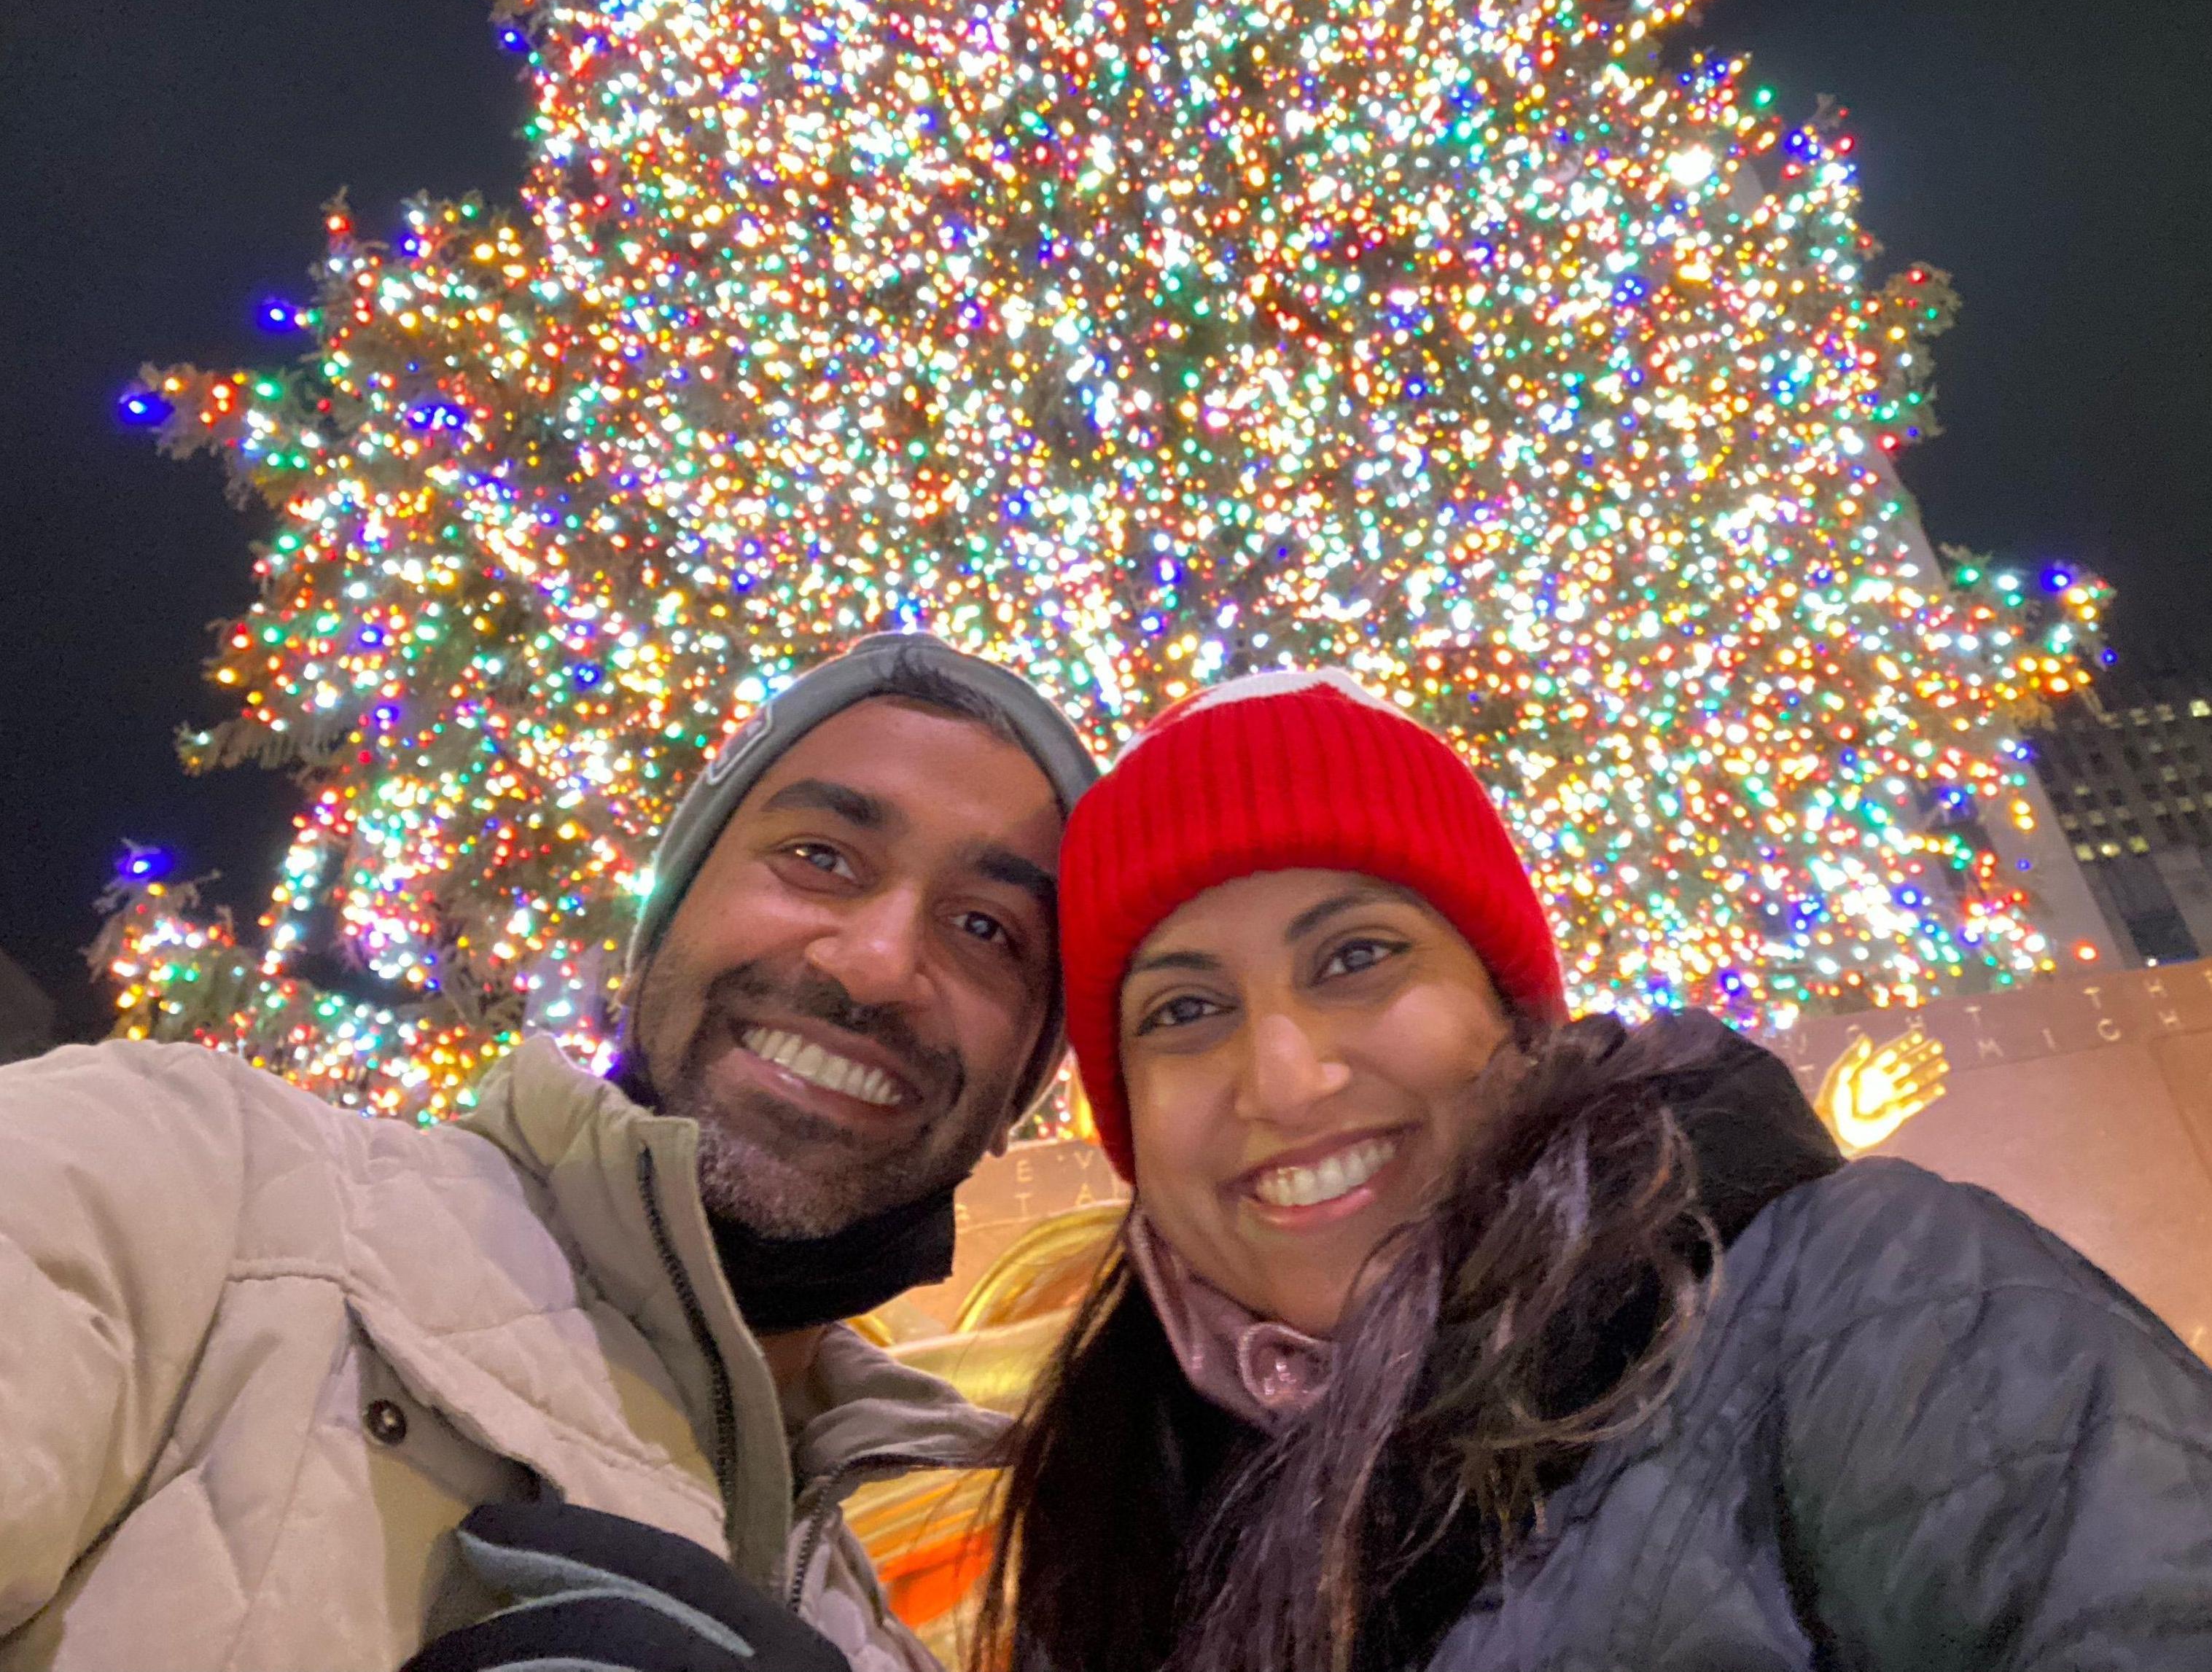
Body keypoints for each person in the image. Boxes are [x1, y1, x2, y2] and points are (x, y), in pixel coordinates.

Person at [978, 669, 2212, 1672]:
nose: (1284, 1075)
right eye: (1185, 1007)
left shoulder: (1863, 1299)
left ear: (1509, 1013)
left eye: (1356, 954)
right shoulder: (1108, 1524)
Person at [0, 633, 1096, 1672]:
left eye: (988, 929)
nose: (874, 963)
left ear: (1019, 1090)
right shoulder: (181, 1178)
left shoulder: (883, 1630)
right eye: (820, 856)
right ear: (661, 923)